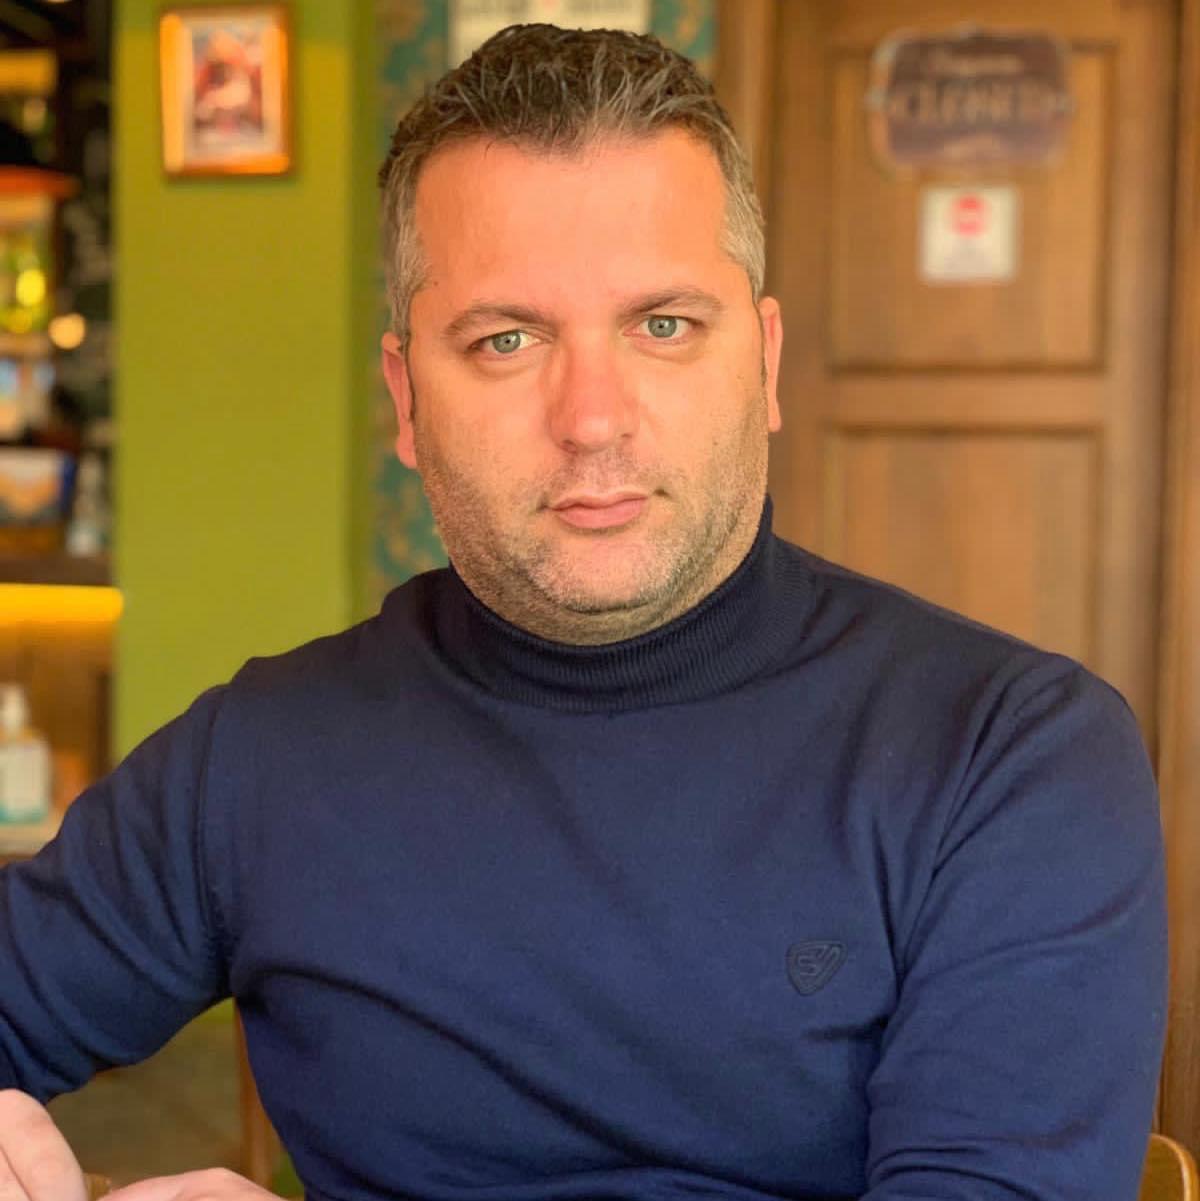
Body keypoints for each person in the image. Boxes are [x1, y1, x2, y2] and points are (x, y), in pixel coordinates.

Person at [0, 24, 1166, 1201]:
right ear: (407, 399)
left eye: (663, 325)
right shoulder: (262, 755)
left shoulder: (1008, 754)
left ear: (764, 365)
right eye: (506, 340)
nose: (593, 417)